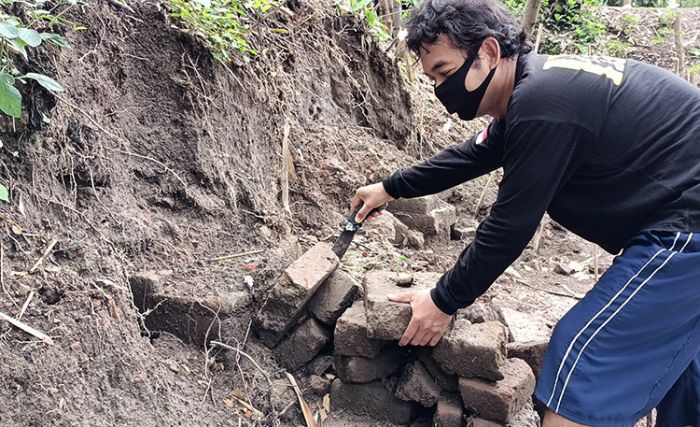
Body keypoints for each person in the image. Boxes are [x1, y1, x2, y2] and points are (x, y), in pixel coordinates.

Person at [349, 0, 700, 425]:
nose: (441, 89)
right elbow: (469, 156)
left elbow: (510, 225)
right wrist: (389, 188)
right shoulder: (542, 88)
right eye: (432, 80)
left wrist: (443, 300)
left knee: (582, 359)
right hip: (680, 222)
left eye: (444, 72)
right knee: (681, 375)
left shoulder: (544, 103)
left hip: (686, 231)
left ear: (490, 52)